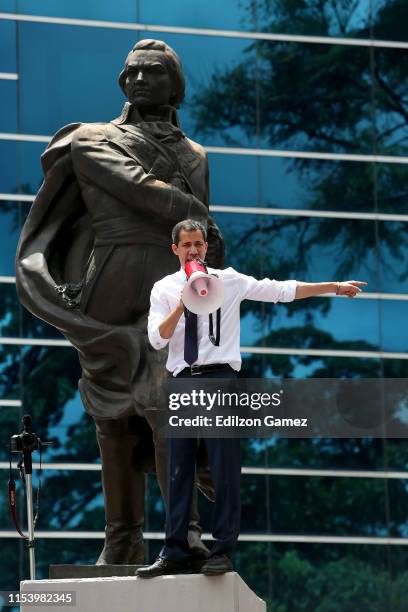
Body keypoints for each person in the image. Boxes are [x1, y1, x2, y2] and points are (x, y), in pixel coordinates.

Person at [16, 40, 223, 565]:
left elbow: (199, 236)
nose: (138, 79)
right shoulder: (89, 141)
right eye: (130, 72)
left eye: (152, 72)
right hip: (109, 287)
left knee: (168, 402)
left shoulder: (195, 155)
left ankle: (185, 534)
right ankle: (122, 540)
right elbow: (51, 233)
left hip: (170, 287)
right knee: (112, 417)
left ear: (175, 85)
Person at [137, 218, 367, 578]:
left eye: (199, 244)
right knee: (178, 470)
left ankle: (223, 551)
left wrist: (334, 287)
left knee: (224, 467)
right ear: (175, 250)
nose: (194, 250)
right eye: (187, 246)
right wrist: (182, 304)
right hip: (181, 380)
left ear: (205, 246)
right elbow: (156, 339)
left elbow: (281, 290)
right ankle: (175, 551)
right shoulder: (163, 288)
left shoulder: (229, 280)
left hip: (221, 378)